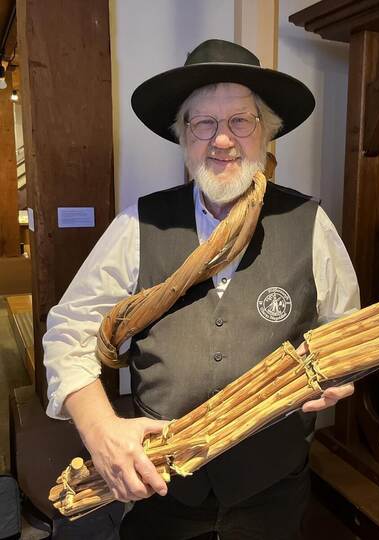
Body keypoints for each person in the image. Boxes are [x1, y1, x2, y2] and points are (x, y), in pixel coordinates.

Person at [44, 39, 360, 540]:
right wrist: (100, 429)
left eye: (240, 121)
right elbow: (69, 330)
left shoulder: (310, 223)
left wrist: (344, 371)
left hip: (274, 490)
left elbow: (346, 331)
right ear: (183, 136)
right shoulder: (139, 223)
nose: (222, 140)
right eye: (203, 123)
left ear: (266, 133)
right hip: (160, 489)